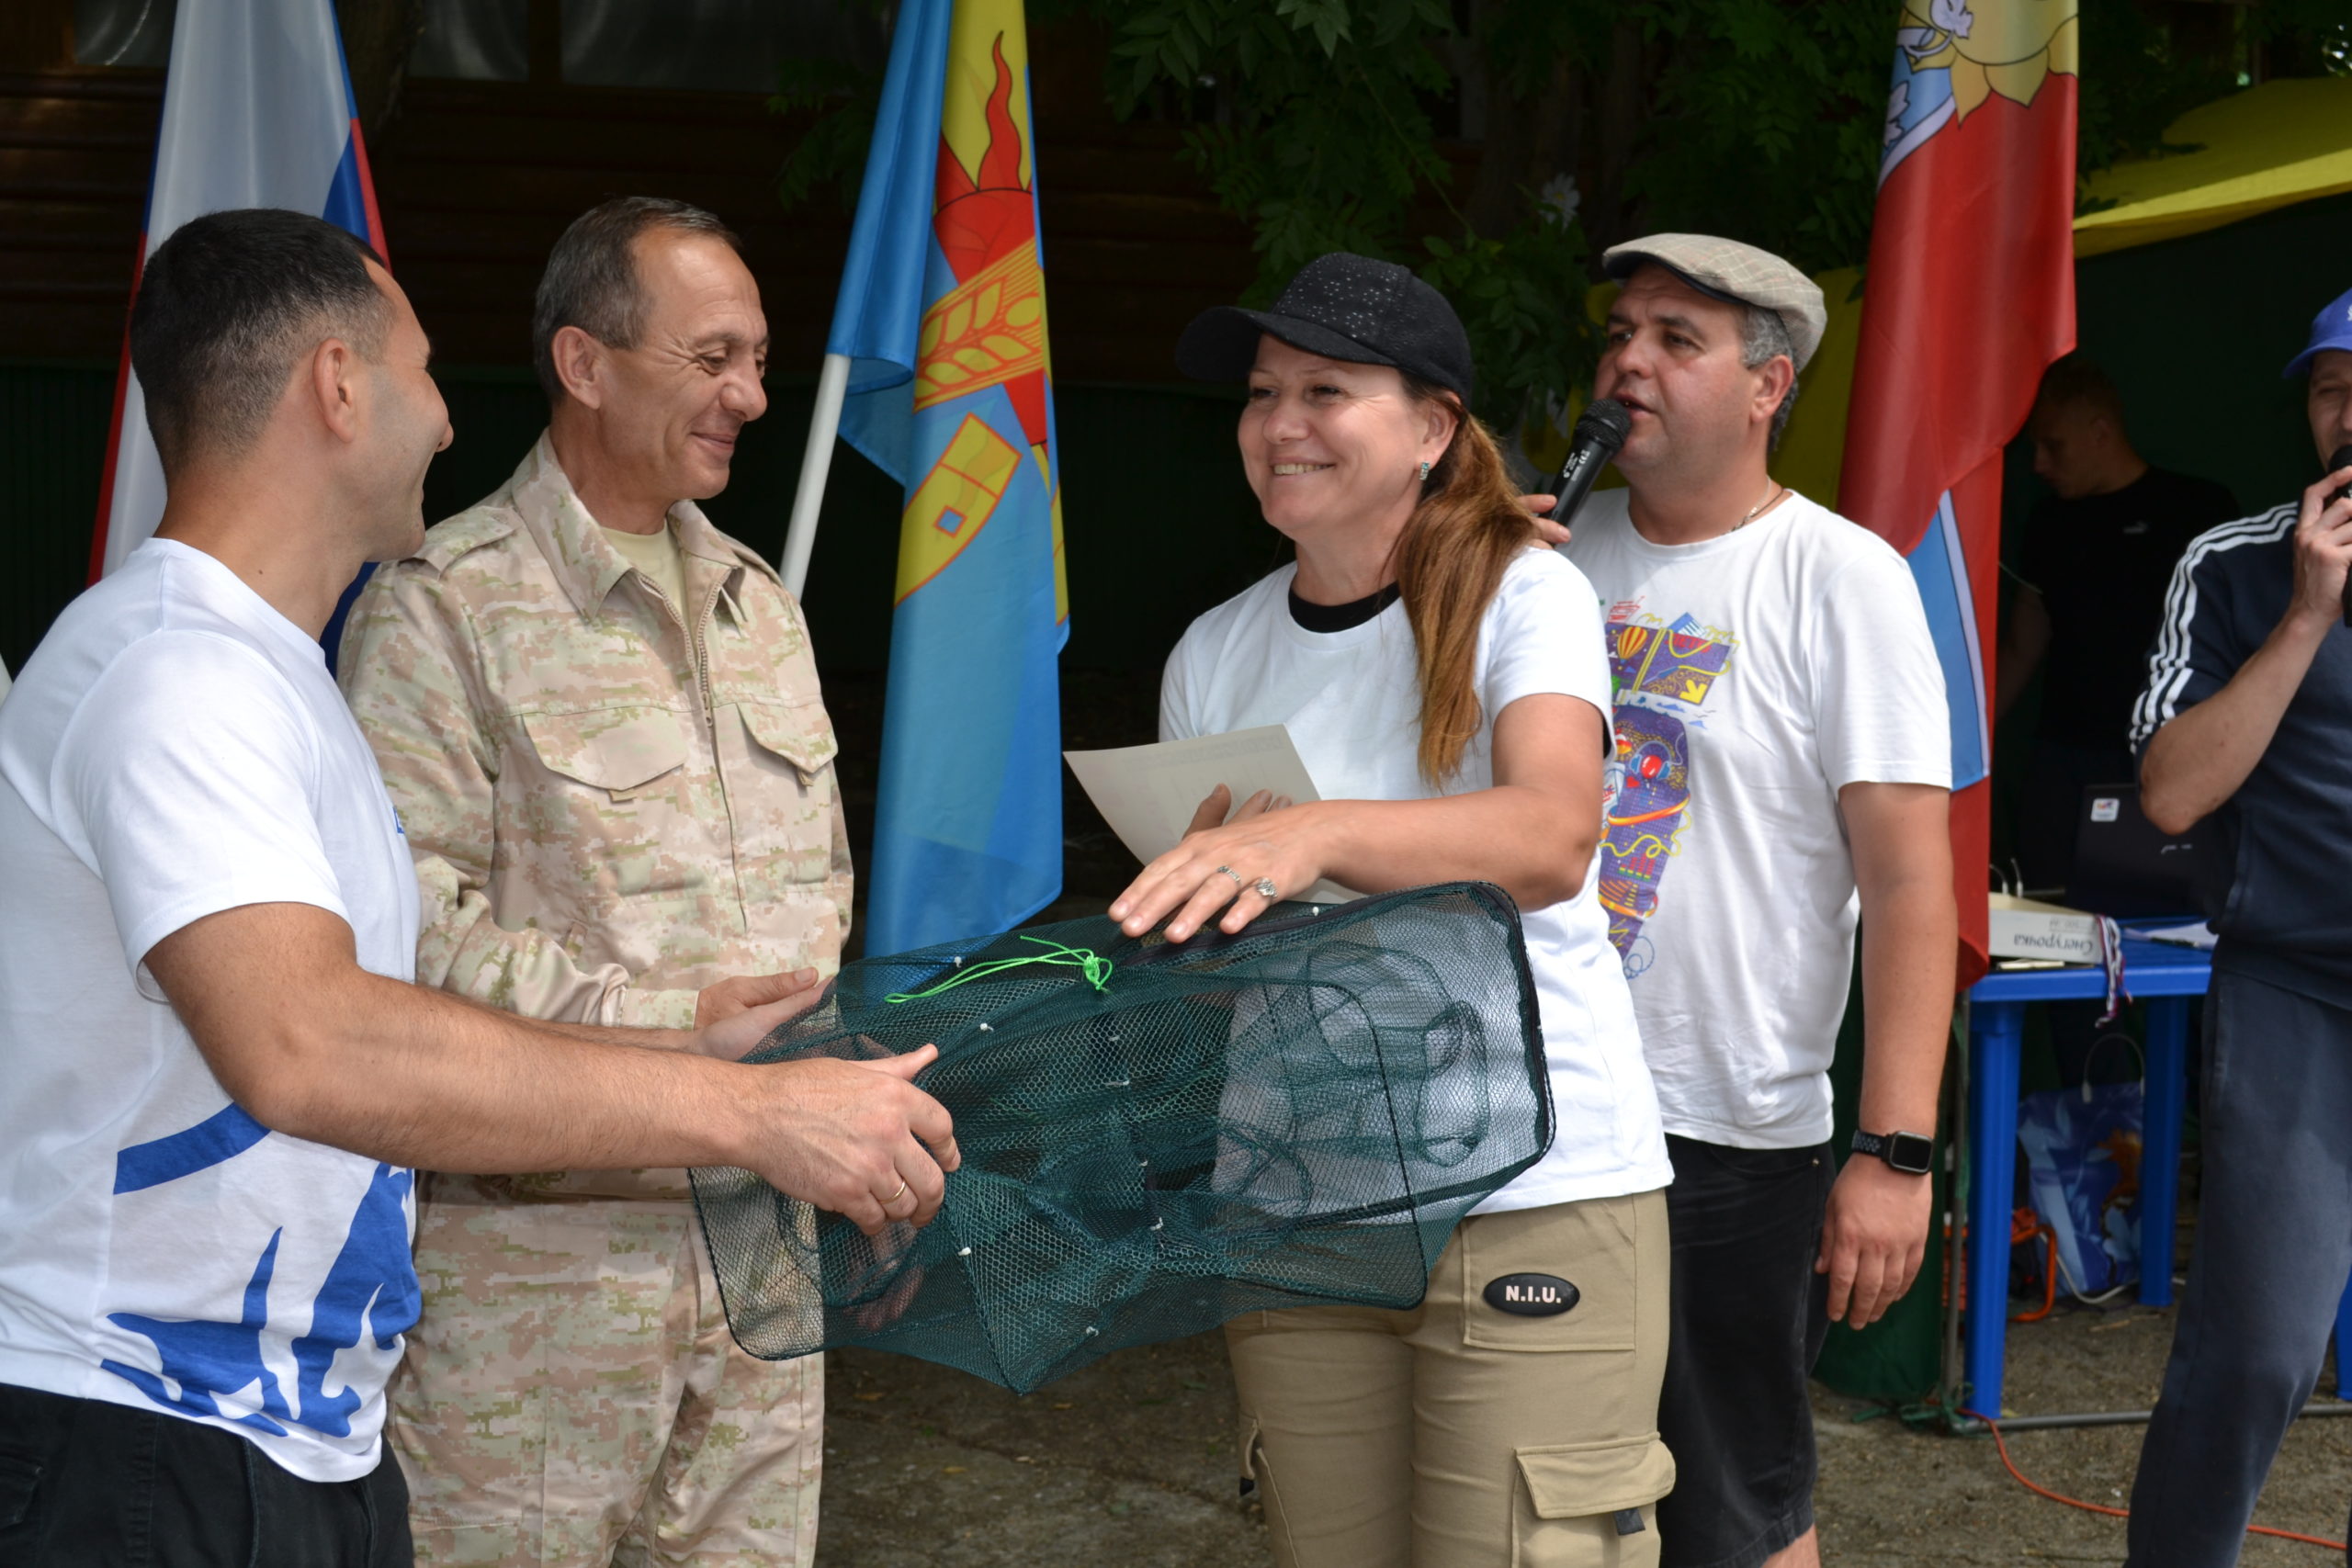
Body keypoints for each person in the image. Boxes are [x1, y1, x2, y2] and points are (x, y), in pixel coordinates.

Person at [0, 209, 956, 1566]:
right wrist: (741, 1102)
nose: (448, 421)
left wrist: (746, 1076)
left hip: (284, 1416)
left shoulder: (266, 679)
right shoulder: (178, 677)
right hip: (154, 1428)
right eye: (423, 368)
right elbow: (313, 1038)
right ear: (339, 385)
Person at [1114, 251, 1676, 1567]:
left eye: (1326, 389)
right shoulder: (1215, 648)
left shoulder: (1527, 592)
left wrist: (1312, 832)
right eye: (1262, 394)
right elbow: (1223, 962)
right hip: (1298, 1206)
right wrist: (1200, 913)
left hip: (1534, 1191)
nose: (1281, 423)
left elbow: (1549, 832)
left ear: (1432, 429)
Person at [335, 197, 849, 1567]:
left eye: (758, 358)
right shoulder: (443, 607)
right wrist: (678, 1026)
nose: (750, 393)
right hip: (538, 1300)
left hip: (763, 1276)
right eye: (714, 357)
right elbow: (401, 941)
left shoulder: (762, 604)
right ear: (584, 363)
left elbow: (817, 912)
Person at [1548, 234, 1955, 1568]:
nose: (1629, 361)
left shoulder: (1842, 577)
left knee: (1734, 1500)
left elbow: (1909, 881)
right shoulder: (1540, 556)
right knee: (1545, 1492)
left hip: (1721, 1125)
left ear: (1769, 383)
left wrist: (1894, 1153)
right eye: (1621, 332)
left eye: (1678, 337)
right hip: (1537, 1096)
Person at [2120, 288, 2352, 1567]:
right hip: (2297, 991)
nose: (2346, 413)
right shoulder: (2235, 562)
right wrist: (2308, 614)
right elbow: (2169, 792)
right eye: (2328, 388)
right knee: (2261, 1346)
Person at [1995, 352, 2236, 890]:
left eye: (2052, 445)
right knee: (2047, 915)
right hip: (2062, 760)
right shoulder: (2048, 521)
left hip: (2162, 757)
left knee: (2167, 920)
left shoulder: (2196, 511)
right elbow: (2021, 645)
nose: (2038, 464)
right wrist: (1959, 741)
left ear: (2100, 432)